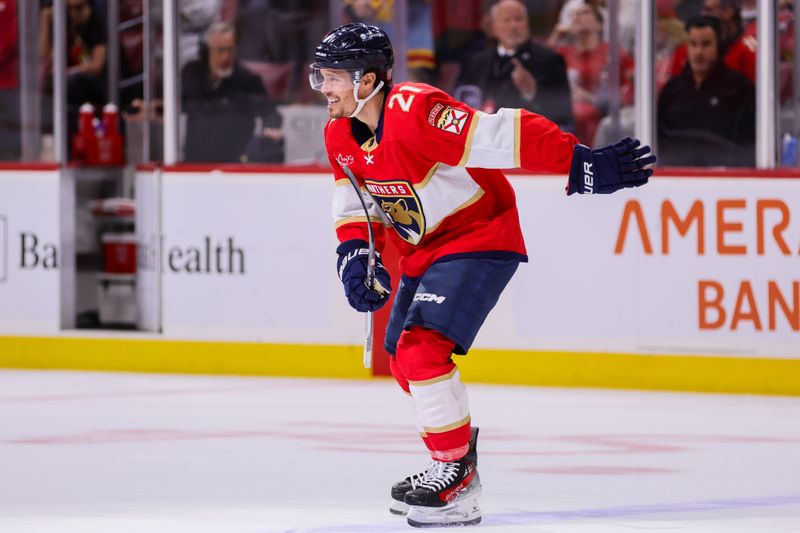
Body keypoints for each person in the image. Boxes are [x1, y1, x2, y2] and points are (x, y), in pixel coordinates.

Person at [311, 22, 655, 528]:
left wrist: (579, 163)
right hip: (426, 249)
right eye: (321, 75)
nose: (323, 87)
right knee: (402, 361)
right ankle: (448, 462)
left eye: (333, 76)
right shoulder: (338, 132)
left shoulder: (417, 110)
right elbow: (355, 202)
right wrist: (354, 256)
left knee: (420, 349)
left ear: (367, 82)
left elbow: (501, 135)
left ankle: (457, 474)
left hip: (479, 234)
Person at [457, 0, 574, 132]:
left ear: (527, 24)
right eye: (506, 20)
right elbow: (460, 100)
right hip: (480, 135)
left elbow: (564, 113)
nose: (513, 26)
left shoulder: (550, 60)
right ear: (494, 27)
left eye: (518, 19)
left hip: (524, 136)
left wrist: (532, 90)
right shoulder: (476, 62)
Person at [658, 15, 755, 166]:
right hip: (675, 176)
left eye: (706, 44)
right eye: (693, 44)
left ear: (719, 46)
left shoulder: (740, 88)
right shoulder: (672, 89)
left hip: (726, 177)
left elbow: (749, 144)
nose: (698, 51)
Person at [181, 21, 283, 163]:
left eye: (230, 50)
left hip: (234, 163)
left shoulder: (246, 80)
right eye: (220, 50)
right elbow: (179, 105)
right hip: (196, 162)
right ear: (207, 50)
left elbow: (270, 111)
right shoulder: (192, 73)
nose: (226, 57)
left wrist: (271, 126)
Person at [558, 3, 634, 145]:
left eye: (585, 12)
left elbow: (627, 89)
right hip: (568, 112)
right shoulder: (562, 53)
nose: (578, 16)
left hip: (603, 113)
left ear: (599, 25)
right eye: (575, 14)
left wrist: (593, 98)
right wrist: (557, 36)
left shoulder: (613, 53)